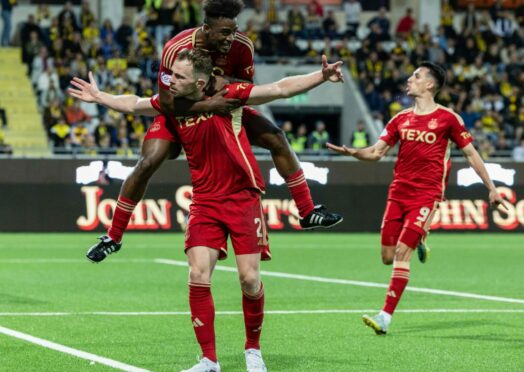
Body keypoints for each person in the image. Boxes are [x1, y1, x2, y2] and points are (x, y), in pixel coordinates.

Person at [68, 50, 344, 371]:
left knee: (250, 280)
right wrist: (99, 96)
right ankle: (209, 361)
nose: (170, 81)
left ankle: (252, 350)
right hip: (204, 202)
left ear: (199, 82)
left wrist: (320, 76)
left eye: (179, 77)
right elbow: (132, 103)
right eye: (171, 75)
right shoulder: (171, 105)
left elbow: (280, 88)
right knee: (198, 275)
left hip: (243, 197)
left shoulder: (230, 96)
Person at [98, 0, 343, 253]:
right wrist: (207, 106)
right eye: (225, 33)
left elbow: (261, 89)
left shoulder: (242, 45)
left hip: (222, 111)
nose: (232, 38)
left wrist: (320, 76)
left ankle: (307, 211)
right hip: (181, 113)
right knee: (148, 162)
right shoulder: (175, 49)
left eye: (234, 31)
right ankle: (113, 237)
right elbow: (165, 104)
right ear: (206, 29)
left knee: (276, 137)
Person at [327, 62, 508, 335]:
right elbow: (376, 153)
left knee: (402, 252)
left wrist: (492, 188)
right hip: (398, 192)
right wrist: (352, 152)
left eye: (417, 75)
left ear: (430, 85)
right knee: (387, 256)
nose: (410, 78)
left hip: (427, 194)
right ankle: (421, 237)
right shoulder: (399, 119)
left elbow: (471, 154)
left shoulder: (449, 118)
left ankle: (385, 316)